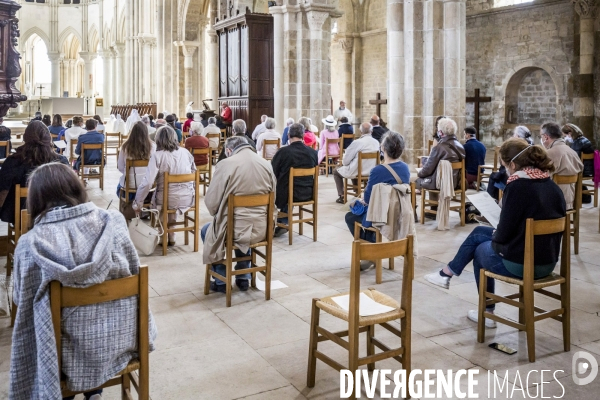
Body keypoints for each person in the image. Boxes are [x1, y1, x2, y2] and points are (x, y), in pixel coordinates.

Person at [9, 162, 157, 400]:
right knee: (93, 317)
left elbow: (21, 301)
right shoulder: (114, 222)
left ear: (35, 200)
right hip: (122, 340)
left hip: (65, 356)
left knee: (58, 325)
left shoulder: (29, 245)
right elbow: (132, 270)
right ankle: (94, 392)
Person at [424, 138, 566, 328]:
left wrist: (496, 231)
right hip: (547, 262)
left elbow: (503, 236)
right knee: (479, 232)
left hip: (522, 264)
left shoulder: (517, 186)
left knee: (479, 250)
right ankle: (446, 273)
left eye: (505, 166)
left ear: (513, 165)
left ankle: (486, 311)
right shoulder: (552, 186)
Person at [201, 136, 276, 293]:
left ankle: (221, 279)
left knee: (206, 230)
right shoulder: (265, 164)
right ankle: (243, 277)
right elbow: (273, 196)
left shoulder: (226, 164)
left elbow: (211, 203)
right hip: (263, 230)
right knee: (244, 226)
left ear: (229, 151)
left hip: (234, 230)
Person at [345, 132, 411, 269]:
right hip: (398, 214)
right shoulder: (405, 168)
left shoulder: (378, 170)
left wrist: (362, 197)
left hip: (380, 217)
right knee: (368, 212)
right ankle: (372, 249)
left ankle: (370, 251)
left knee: (350, 216)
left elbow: (369, 200)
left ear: (384, 149)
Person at [134, 126, 196, 246]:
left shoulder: (157, 155)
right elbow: (194, 171)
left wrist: (138, 202)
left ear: (158, 139)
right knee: (171, 196)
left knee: (162, 198)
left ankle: (163, 236)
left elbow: (147, 182)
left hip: (166, 199)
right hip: (187, 197)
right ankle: (172, 235)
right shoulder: (185, 152)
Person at [0, 121, 68, 224]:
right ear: (48, 138)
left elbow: (3, 190)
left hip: (21, 217)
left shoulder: (13, 161)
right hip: (54, 216)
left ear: (25, 137)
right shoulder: (61, 161)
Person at [271, 123, 319, 237]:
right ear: (302, 135)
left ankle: (278, 221)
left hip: (286, 195)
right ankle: (283, 221)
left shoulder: (283, 152)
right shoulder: (312, 152)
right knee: (289, 185)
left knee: (277, 187)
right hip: (308, 192)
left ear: (288, 135)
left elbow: (272, 172)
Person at [415, 117, 466, 205]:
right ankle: (433, 207)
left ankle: (422, 211)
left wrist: (419, 174)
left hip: (440, 184)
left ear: (441, 132)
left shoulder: (438, 148)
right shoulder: (461, 146)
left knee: (414, 181)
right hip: (455, 183)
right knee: (432, 176)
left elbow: (427, 169)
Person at [333, 122, 380, 203]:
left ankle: (342, 196)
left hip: (357, 171)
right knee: (354, 166)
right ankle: (357, 191)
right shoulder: (376, 142)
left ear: (360, 131)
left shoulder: (357, 143)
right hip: (371, 171)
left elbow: (345, 162)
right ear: (371, 131)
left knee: (336, 171)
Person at [541, 122, 583, 210]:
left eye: (541, 136)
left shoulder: (549, 153)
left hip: (554, 201)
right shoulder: (573, 152)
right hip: (571, 200)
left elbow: (541, 177)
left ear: (546, 137)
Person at [487, 125, 532, 201]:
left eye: (514, 134)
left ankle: (493, 200)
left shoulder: (514, 146)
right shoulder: (531, 145)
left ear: (517, 135)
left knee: (495, 177)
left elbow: (504, 164)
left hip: (517, 174)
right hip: (527, 174)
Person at [117, 121, 156, 198]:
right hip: (148, 188)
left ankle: (126, 207)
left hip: (130, 186)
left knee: (119, 187)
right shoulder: (153, 146)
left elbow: (120, 167)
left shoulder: (125, 147)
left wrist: (128, 172)